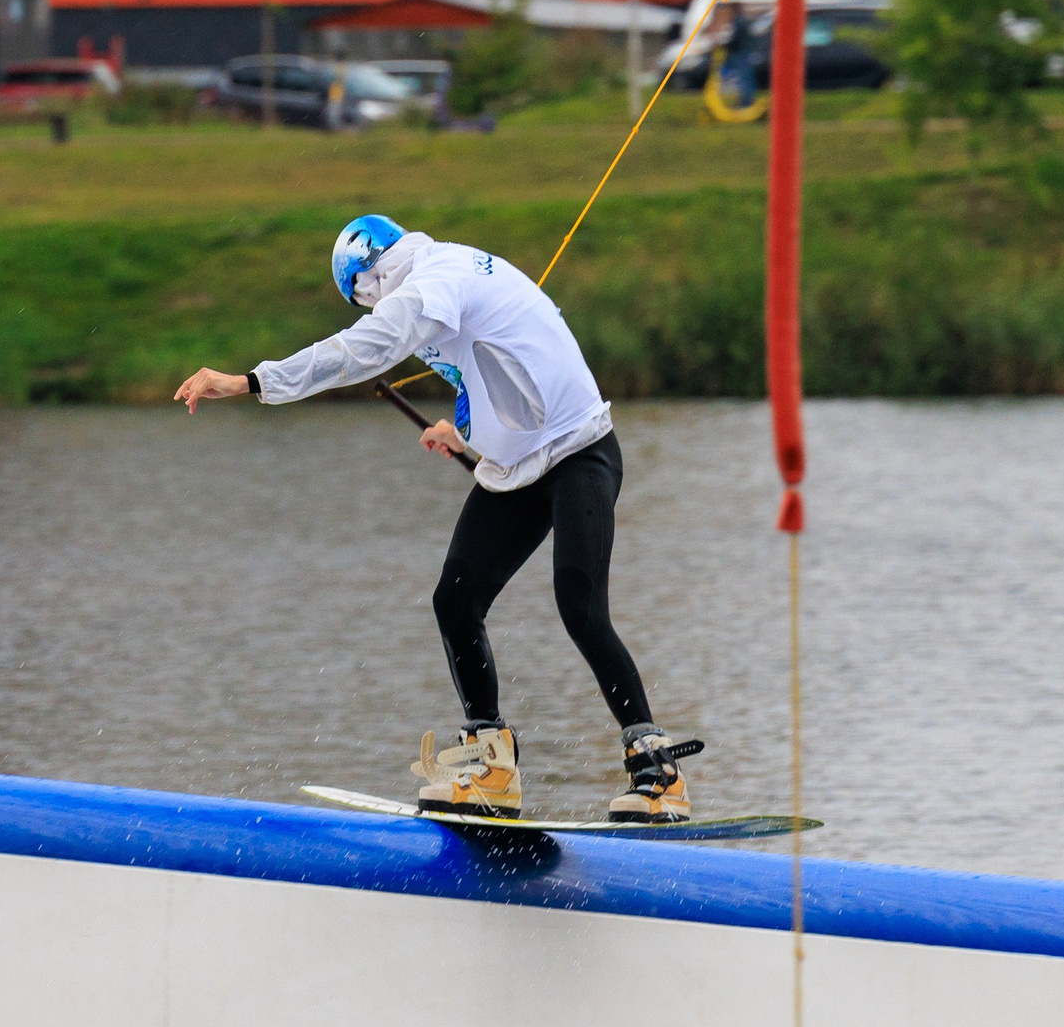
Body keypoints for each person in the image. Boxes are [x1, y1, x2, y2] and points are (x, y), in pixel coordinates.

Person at [173, 214, 700, 823]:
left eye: (362, 301)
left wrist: (251, 382)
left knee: (579, 605)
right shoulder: (441, 273)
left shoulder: (432, 281)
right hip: (521, 469)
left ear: (369, 283)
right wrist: (465, 436)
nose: (369, 311)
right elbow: (494, 372)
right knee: (455, 599)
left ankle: (656, 768)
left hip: (583, 452)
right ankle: (491, 762)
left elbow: (360, 351)